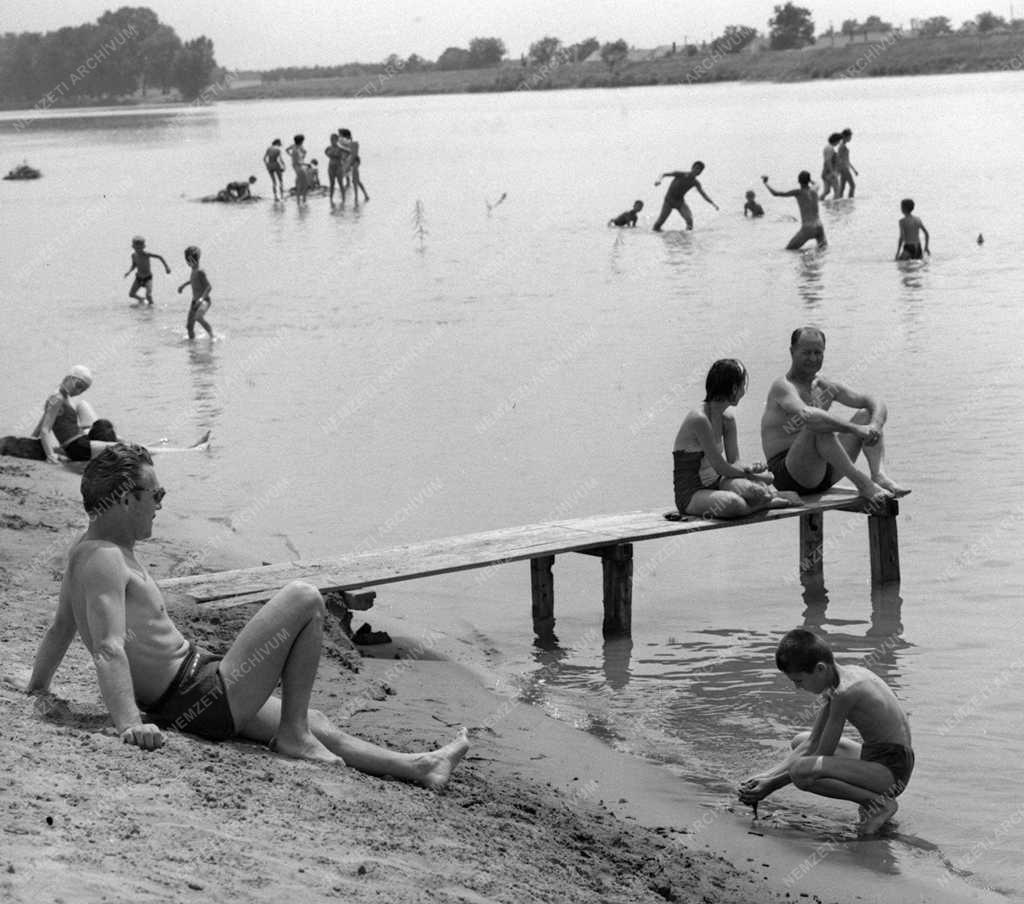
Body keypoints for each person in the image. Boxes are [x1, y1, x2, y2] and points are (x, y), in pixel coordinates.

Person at [25, 443, 469, 790]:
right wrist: (129, 725)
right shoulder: (105, 558)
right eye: (156, 494)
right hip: (199, 694)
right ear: (126, 499)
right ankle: (293, 736)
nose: (160, 504)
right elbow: (108, 647)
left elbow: (62, 627)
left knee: (317, 721)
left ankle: (421, 767)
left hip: (197, 688)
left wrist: (37, 687)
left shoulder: (88, 552)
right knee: (305, 597)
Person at [737, 628, 914, 835]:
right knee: (800, 740)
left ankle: (879, 804)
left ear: (820, 668)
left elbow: (822, 755)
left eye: (799, 681)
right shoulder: (842, 678)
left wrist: (772, 785)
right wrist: (766, 776)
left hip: (891, 772)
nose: (797, 687)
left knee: (801, 771)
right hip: (882, 758)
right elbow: (813, 741)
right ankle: (871, 800)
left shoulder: (844, 693)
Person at [760, 327, 906, 506]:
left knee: (867, 414)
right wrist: (856, 429)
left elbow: (874, 401)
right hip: (789, 476)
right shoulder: (783, 386)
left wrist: (873, 426)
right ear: (792, 352)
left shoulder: (824, 385)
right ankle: (863, 483)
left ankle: (879, 475)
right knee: (818, 425)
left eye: (818, 353)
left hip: (824, 473)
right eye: (806, 352)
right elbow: (808, 415)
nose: (813, 358)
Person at [673, 359, 796, 519]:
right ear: (733, 388)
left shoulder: (727, 419)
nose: (743, 392)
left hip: (718, 482)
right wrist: (758, 477)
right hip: (691, 493)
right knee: (733, 503)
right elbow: (721, 467)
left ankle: (763, 500)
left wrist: (751, 469)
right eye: (742, 386)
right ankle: (765, 505)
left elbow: (734, 463)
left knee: (758, 491)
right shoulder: (699, 419)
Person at [1, 366, 97, 462]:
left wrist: (31, 440)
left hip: (78, 442)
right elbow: (45, 429)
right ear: (68, 378)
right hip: (77, 447)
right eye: (79, 385)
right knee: (99, 426)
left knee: (83, 406)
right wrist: (50, 455)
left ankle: (95, 433)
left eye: (83, 390)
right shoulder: (57, 398)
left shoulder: (61, 397)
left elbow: (42, 423)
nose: (78, 391)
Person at [761, 173, 827, 251]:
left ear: (799, 181)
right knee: (823, 251)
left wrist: (766, 183)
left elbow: (776, 193)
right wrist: (810, 180)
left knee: (789, 250)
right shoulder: (815, 189)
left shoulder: (798, 192)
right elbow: (817, 183)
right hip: (819, 226)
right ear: (809, 181)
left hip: (808, 228)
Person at [652, 161, 718, 231]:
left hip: (680, 202)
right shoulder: (681, 174)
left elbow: (703, 194)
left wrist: (713, 203)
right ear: (692, 168)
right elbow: (663, 174)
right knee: (658, 224)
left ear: (700, 173)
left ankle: (686, 236)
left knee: (689, 220)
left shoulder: (695, 182)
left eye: (700, 170)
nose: (697, 171)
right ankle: (654, 234)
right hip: (669, 201)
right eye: (696, 168)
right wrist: (658, 180)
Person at [177, 245, 213, 340]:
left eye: (189, 260)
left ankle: (212, 336)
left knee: (198, 317)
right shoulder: (193, 270)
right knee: (189, 327)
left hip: (204, 301)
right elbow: (193, 280)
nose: (188, 263)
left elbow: (209, 287)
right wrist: (183, 285)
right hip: (194, 302)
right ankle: (192, 345)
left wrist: (201, 299)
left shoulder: (200, 271)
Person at [124, 236, 170, 305]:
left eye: (140, 248)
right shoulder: (133, 255)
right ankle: (142, 299)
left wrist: (166, 267)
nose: (138, 250)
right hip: (138, 278)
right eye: (136, 248)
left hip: (148, 278)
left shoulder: (146, 254)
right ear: (133, 247)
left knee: (148, 295)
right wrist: (129, 272)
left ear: (144, 246)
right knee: (131, 294)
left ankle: (152, 307)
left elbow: (160, 257)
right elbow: (134, 265)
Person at [339, 128, 369, 205]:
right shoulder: (342, 144)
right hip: (349, 162)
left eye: (341, 135)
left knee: (355, 180)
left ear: (345, 136)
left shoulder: (353, 143)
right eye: (339, 136)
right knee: (356, 180)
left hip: (354, 162)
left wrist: (347, 164)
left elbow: (353, 154)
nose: (339, 137)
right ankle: (365, 195)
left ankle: (357, 198)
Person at [819, 133, 842, 201]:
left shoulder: (827, 147)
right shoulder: (830, 148)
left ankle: (818, 202)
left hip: (825, 173)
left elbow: (827, 161)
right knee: (837, 191)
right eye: (839, 141)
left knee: (827, 191)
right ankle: (836, 206)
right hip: (829, 173)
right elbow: (828, 161)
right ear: (836, 140)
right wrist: (832, 172)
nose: (839, 143)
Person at [836, 128, 858, 198]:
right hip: (844, 169)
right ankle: (850, 200)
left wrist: (854, 170)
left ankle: (839, 201)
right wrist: (838, 170)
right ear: (845, 136)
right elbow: (839, 159)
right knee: (852, 185)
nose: (850, 138)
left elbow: (846, 160)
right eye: (850, 136)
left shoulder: (843, 145)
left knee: (842, 187)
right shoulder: (841, 146)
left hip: (845, 168)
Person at [286, 134, 308, 204]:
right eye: (303, 141)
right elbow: (298, 161)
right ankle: (303, 200)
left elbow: (287, 150)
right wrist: (305, 163)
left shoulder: (294, 146)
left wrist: (290, 155)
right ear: (301, 141)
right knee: (304, 183)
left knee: (299, 182)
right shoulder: (297, 149)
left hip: (296, 165)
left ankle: (299, 200)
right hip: (299, 166)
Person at [325, 133, 345, 203]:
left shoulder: (340, 148)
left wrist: (342, 158)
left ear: (337, 140)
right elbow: (326, 152)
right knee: (332, 183)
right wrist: (330, 155)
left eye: (333, 140)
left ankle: (343, 199)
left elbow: (347, 154)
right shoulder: (328, 148)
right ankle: (331, 199)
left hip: (338, 166)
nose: (332, 141)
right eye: (331, 140)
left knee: (340, 183)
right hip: (331, 166)